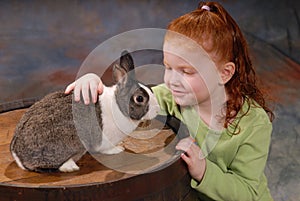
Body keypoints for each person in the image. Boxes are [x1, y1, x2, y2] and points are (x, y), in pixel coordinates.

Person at [65, 1, 274, 200]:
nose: (172, 80)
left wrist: (204, 171)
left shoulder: (254, 123)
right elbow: (132, 100)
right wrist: (93, 82)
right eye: (168, 67)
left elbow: (248, 191)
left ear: (224, 73)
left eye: (187, 71)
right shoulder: (171, 96)